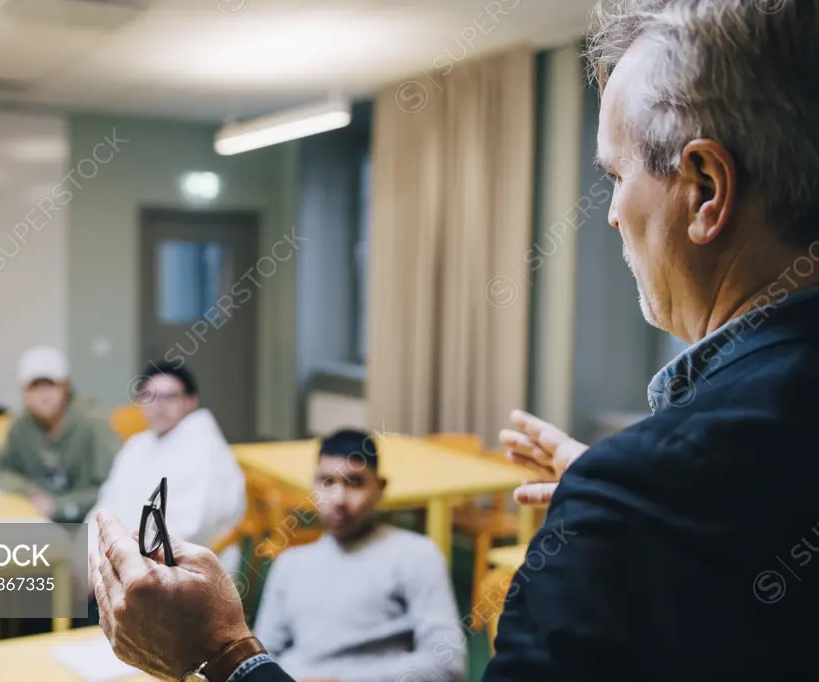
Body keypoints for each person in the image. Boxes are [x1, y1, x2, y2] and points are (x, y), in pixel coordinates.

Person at [88, 1, 819, 680]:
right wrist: (626, 505)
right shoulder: (690, 481)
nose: (610, 216)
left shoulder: (653, 494)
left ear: (704, 189)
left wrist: (223, 655)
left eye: (615, 175)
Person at [252, 429, 466, 682]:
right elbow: (260, 660)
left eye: (354, 482)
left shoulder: (416, 556)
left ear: (380, 487)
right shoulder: (289, 565)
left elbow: (448, 662)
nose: (339, 498)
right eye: (327, 482)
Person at [85, 360, 246, 573]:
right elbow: (105, 507)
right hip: (122, 563)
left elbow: (192, 528)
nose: (158, 405)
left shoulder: (204, 447)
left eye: (169, 397)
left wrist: (122, 564)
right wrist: (89, 560)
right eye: (149, 397)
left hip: (182, 572)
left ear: (190, 401)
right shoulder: (137, 445)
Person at [0, 345, 119, 522]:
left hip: (90, 523)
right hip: (39, 519)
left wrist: (58, 505)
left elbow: (116, 486)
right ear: (24, 392)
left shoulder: (93, 423)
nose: (44, 395)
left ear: (66, 387)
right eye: (35, 388)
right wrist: (28, 489)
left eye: (50, 386)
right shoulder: (22, 424)